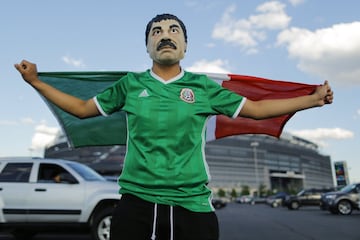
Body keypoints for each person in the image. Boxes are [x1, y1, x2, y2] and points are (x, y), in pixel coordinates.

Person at [15, 13, 333, 240]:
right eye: (156, 31)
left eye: (173, 30)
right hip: (136, 203)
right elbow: (83, 109)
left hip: (191, 204)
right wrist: (36, 82)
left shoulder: (203, 88)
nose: (165, 34)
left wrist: (312, 100)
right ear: (148, 47)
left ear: (184, 45)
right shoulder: (130, 85)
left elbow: (257, 109)